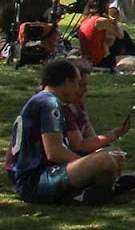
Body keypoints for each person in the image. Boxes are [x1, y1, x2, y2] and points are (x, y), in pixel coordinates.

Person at [5, 58, 126, 204]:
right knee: (104, 160)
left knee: (109, 153)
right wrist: (86, 163)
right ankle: (84, 194)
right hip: (35, 180)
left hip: (42, 174)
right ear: (67, 82)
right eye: (76, 83)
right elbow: (54, 152)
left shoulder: (44, 100)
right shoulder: (49, 103)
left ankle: (97, 191)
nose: (78, 89)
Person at [76, 0, 133, 70]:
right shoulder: (101, 21)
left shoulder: (85, 20)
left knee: (109, 37)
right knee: (123, 35)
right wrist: (114, 22)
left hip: (87, 58)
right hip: (100, 61)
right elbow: (120, 35)